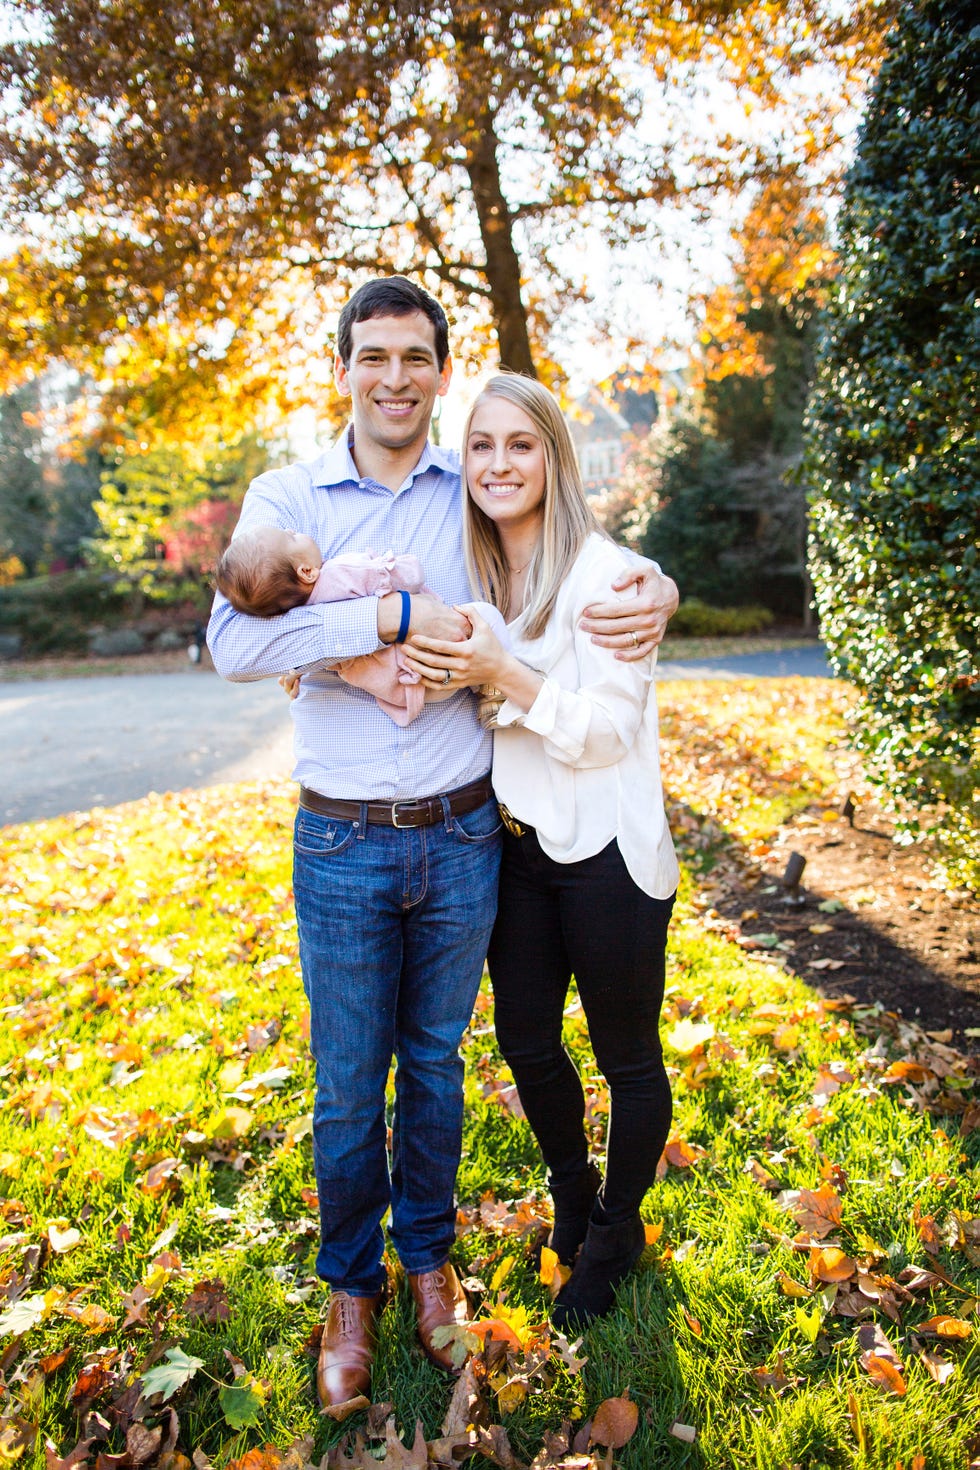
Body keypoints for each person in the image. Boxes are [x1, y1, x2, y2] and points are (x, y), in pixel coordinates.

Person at [207, 277, 679, 1414]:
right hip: (341, 840)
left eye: (415, 358)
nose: (394, 378)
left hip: (468, 837)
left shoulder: (460, 500)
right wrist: (384, 623)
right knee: (341, 1080)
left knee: (434, 1070)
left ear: (437, 370)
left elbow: (555, 567)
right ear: (342, 370)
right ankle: (348, 1290)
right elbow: (230, 636)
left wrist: (655, 584)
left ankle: (428, 1269)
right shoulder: (289, 493)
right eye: (372, 357)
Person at [404, 373, 680, 1329]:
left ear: (555, 458)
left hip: (607, 855)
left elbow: (605, 733)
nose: (497, 464)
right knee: (524, 1039)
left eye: (520, 445)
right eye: (481, 446)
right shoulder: (475, 575)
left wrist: (500, 674)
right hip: (516, 850)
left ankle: (614, 1233)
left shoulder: (612, 578)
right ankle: (572, 1188)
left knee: (626, 1059)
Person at [214, 526, 508, 725]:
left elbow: (318, 656)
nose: (296, 531)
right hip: (428, 662)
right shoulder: (341, 573)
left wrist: (297, 670)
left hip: (401, 688)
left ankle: (484, 690)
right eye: (291, 536)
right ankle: (496, 694)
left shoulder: (303, 614)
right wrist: (403, 566)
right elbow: (409, 576)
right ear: (306, 571)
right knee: (483, 616)